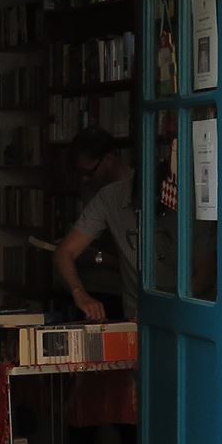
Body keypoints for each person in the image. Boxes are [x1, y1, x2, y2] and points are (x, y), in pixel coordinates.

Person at [54, 128, 139, 323]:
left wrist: (99, 258)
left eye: (89, 172)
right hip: (121, 302)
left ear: (109, 159)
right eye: (80, 174)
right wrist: (79, 293)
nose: (84, 180)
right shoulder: (103, 197)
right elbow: (64, 252)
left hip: (134, 298)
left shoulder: (131, 191)